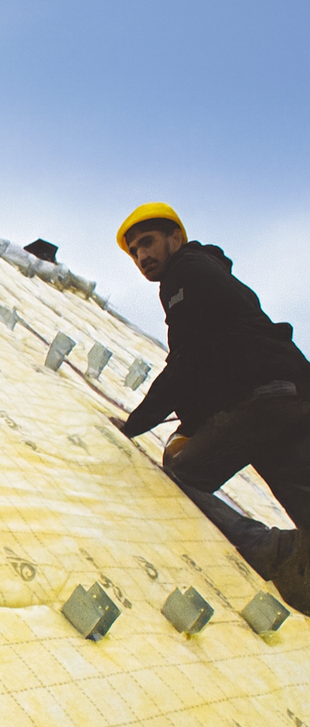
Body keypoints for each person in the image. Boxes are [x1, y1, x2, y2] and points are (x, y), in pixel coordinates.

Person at [112, 202, 310, 615]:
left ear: (176, 239)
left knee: (185, 471)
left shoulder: (184, 273)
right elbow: (219, 353)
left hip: (262, 401)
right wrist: (194, 418)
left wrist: (134, 426)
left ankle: (270, 550)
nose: (142, 257)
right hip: (293, 395)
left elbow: (189, 358)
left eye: (147, 243)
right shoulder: (214, 273)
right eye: (134, 252)